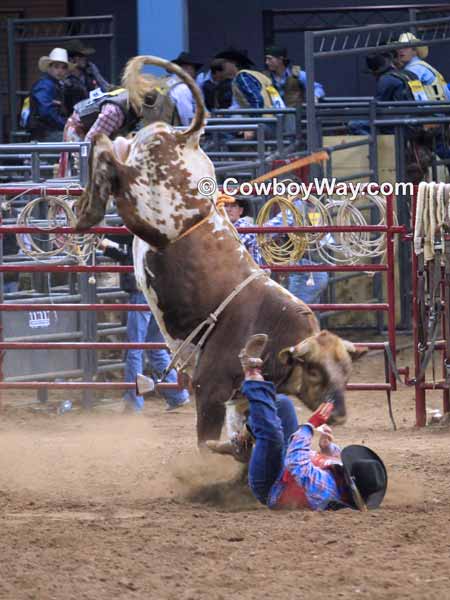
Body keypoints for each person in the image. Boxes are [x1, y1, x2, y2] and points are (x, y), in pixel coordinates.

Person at [210, 334, 388, 511]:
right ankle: (243, 440)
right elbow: (334, 460)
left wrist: (311, 425)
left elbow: (296, 463)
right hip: (286, 466)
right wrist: (328, 449)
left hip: (271, 483)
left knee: (273, 435)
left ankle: (252, 373)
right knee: (283, 404)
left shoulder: (325, 489)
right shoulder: (342, 479)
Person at [100, 236, 190, 413]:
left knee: (135, 347)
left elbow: (128, 243)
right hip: (159, 293)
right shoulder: (152, 232)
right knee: (154, 347)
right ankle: (177, 394)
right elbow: (131, 257)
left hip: (142, 292)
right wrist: (106, 247)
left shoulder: (139, 230)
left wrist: (101, 233)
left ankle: (134, 402)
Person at [224, 196, 329, 304]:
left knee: (316, 274)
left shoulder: (241, 226)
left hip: (254, 277)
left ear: (240, 211)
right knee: (316, 276)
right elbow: (267, 231)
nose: (228, 209)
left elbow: (265, 232)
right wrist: (295, 207)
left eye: (233, 206)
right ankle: (292, 311)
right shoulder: (236, 230)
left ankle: (293, 310)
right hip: (247, 283)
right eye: (225, 206)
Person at [215, 48, 285, 140]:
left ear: (232, 63)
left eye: (224, 63)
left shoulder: (242, 76)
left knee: (219, 131)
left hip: (263, 123)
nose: (221, 66)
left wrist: (253, 125)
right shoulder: (256, 75)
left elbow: (256, 100)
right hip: (271, 121)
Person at [27, 47, 72, 142]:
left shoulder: (54, 84)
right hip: (44, 134)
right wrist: (66, 125)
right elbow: (46, 112)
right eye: (56, 66)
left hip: (49, 132)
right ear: (49, 68)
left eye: (63, 67)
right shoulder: (45, 85)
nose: (60, 71)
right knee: (77, 141)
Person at [63, 38, 111, 114]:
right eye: (81, 56)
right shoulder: (63, 77)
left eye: (84, 55)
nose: (84, 58)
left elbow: (104, 86)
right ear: (70, 59)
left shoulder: (90, 68)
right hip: (74, 115)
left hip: (93, 110)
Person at [166, 52, 203, 126]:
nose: (195, 74)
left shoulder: (166, 82)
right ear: (186, 68)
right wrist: (192, 131)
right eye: (194, 69)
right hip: (170, 131)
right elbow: (185, 115)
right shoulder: (183, 88)